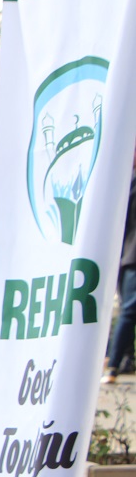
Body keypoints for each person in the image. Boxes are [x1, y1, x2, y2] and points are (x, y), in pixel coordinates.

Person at [104, 159, 136, 383]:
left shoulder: (126, 182)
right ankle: (113, 364)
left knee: (127, 310)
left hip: (124, 255)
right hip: (130, 257)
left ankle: (122, 360)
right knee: (129, 310)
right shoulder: (129, 182)